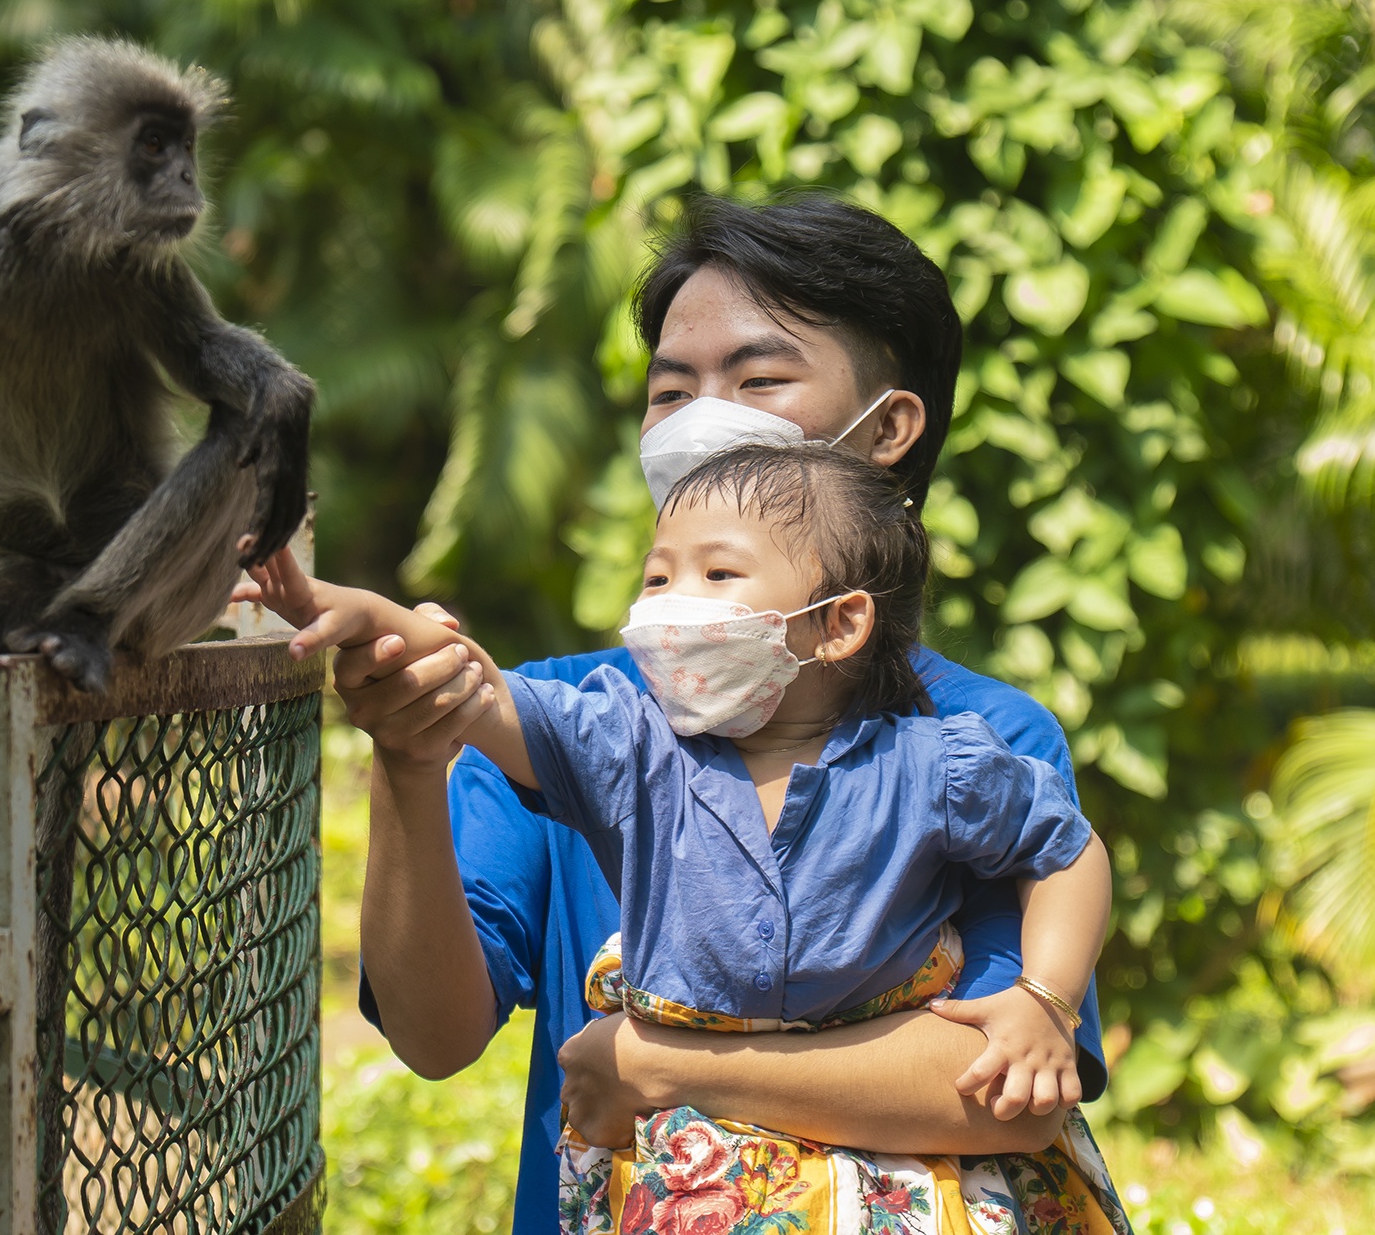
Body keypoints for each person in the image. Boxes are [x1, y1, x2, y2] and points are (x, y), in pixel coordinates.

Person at [331, 195, 1113, 1232]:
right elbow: (433, 1036)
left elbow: (996, 1090)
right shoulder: (569, 716)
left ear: (885, 429)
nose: (702, 421)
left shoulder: (978, 738)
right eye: (670, 390)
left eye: (757, 379)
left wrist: (654, 1061)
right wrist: (407, 753)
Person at [239, 440, 1126, 1233]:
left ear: (838, 624)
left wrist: (1043, 997)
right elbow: (471, 682)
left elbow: (1068, 851)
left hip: (907, 1181)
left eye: (718, 576)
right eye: (657, 577)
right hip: (693, 1170)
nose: (669, 606)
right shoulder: (623, 741)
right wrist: (358, 612)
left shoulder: (941, 761)